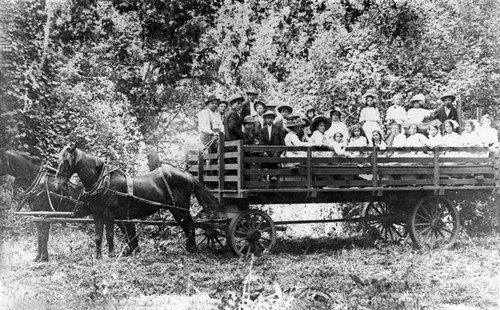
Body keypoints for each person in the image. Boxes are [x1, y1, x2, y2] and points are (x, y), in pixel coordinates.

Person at [259, 110, 285, 181]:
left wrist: (283, 150)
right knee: (265, 158)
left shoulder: (278, 128)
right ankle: (266, 176)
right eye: (268, 118)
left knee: (275, 157)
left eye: (271, 118)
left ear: (273, 119)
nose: (269, 119)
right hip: (267, 149)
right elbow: (261, 141)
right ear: (265, 119)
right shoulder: (262, 130)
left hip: (276, 149)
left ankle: (273, 175)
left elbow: (281, 139)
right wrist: (263, 151)